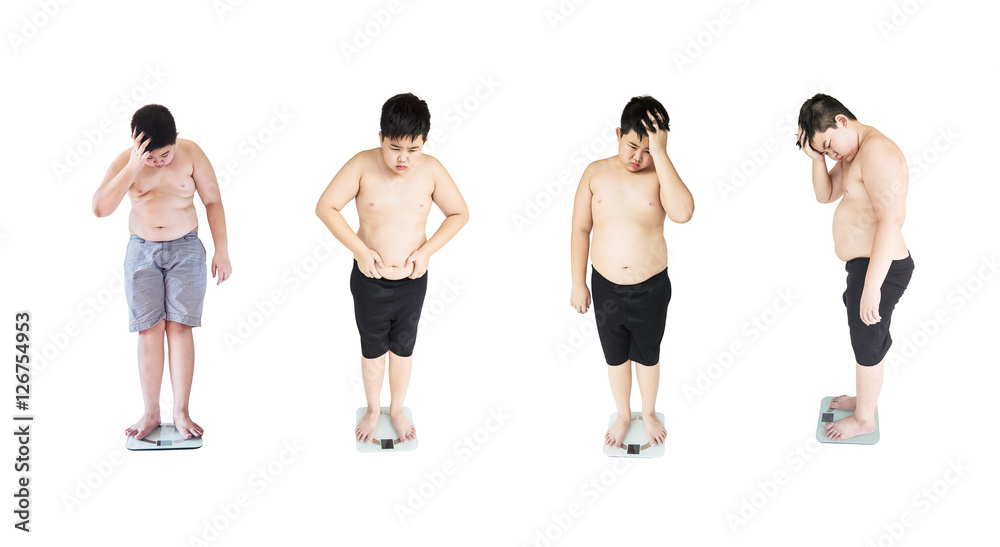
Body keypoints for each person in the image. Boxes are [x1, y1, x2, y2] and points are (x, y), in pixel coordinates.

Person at [316, 93, 469, 445]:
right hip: (370, 279)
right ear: (381, 137)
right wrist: (361, 250)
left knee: (403, 348)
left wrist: (428, 251)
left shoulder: (431, 170)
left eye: (413, 150)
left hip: (413, 280)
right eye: (395, 147)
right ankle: (372, 409)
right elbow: (326, 207)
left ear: (424, 143)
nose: (403, 159)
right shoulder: (361, 165)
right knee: (372, 349)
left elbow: (459, 213)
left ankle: (397, 409)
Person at [93, 104, 232, 441]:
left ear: (177, 139)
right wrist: (132, 168)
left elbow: (213, 200)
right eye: (151, 157)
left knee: (181, 327)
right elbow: (100, 208)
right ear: (137, 145)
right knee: (149, 329)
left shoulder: (191, 153)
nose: (158, 163)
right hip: (142, 250)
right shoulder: (127, 162)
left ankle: (181, 411)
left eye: (165, 155)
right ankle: (151, 411)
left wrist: (222, 250)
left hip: (186, 247)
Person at [570, 95, 694, 449]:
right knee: (616, 356)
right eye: (631, 146)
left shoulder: (660, 175)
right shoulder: (595, 172)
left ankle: (650, 411)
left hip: (651, 287)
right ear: (617, 134)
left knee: (648, 354)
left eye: (648, 149)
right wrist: (578, 283)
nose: (638, 157)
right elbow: (580, 230)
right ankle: (624, 414)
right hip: (606, 287)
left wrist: (663, 155)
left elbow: (684, 213)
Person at [796, 93, 914, 441]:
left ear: (842, 121)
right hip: (864, 266)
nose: (833, 155)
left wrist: (873, 287)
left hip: (883, 268)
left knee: (867, 341)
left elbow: (892, 219)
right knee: (865, 336)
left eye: (830, 145)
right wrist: (817, 159)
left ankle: (865, 419)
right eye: (825, 152)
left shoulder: (878, 152)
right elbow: (826, 194)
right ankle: (864, 398)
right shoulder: (852, 151)